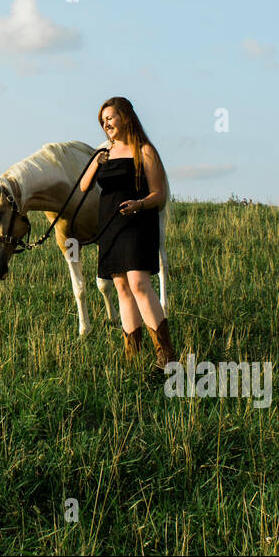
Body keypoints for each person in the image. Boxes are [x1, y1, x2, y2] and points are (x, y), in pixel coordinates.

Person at [78, 96, 177, 368]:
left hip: (137, 223)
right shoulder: (105, 153)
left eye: (110, 117)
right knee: (120, 285)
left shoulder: (144, 150)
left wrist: (139, 204)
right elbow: (84, 187)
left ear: (125, 116)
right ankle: (132, 355)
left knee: (138, 284)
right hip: (109, 225)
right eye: (102, 120)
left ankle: (166, 355)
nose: (105, 123)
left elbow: (160, 194)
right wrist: (97, 160)